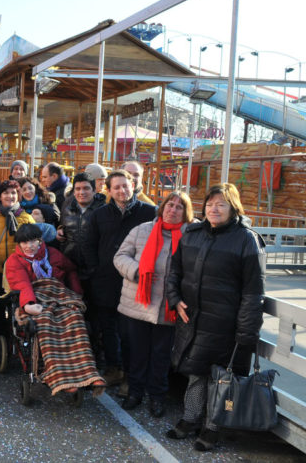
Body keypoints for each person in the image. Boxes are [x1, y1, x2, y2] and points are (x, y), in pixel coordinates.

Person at [165, 184, 265, 451]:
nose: (214, 209)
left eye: (221, 204)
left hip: (226, 325)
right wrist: (174, 299)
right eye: (210, 204)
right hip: (194, 320)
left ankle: (213, 427)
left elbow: (253, 292)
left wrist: (247, 332)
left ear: (233, 207)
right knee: (195, 374)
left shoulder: (246, 239)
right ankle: (190, 419)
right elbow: (174, 271)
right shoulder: (192, 234)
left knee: (221, 379)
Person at [113, 192, 193, 418]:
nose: (173, 209)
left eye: (179, 207)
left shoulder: (191, 235)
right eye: (170, 204)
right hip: (137, 303)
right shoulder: (143, 229)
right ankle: (135, 393)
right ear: (162, 207)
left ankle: (157, 397)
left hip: (169, 307)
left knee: (161, 356)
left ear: (185, 212)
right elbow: (120, 257)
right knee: (137, 353)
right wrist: (138, 271)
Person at [4, 224, 104, 396]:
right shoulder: (15, 260)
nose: (29, 246)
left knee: (75, 318)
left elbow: (71, 270)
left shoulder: (53, 253)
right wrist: (28, 303)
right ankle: (59, 377)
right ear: (19, 244)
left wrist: (76, 292)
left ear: (40, 240)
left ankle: (87, 373)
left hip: (59, 295)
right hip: (36, 297)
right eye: (24, 243)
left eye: (33, 241)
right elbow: (22, 283)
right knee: (45, 322)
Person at [83, 170, 157, 394]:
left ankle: (130, 375)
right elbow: (87, 244)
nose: (122, 190)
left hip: (136, 281)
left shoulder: (149, 212)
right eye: (116, 187)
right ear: (108, 190)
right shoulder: (100, 214)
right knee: (108, 328)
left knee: (131, 331)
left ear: (133, 185)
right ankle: (114, 368)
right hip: (105, 280)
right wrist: (95, 269)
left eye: (126, 185)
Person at [0, 180, 35, 337]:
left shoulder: (26, 218)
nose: (10, 196)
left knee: (17, 309)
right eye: (6, 193)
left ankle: (15, 340)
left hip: (17, 273)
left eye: (13, 193)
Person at [57, 172, 106, 274]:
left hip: (96, 270)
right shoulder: (66, 209)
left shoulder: (104, 211)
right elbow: (62, 227)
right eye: (78, 189)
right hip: (71, 268)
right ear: (73, 192)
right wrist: (60, 231)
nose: (81, 192)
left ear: (94, 190)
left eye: (86, 188)